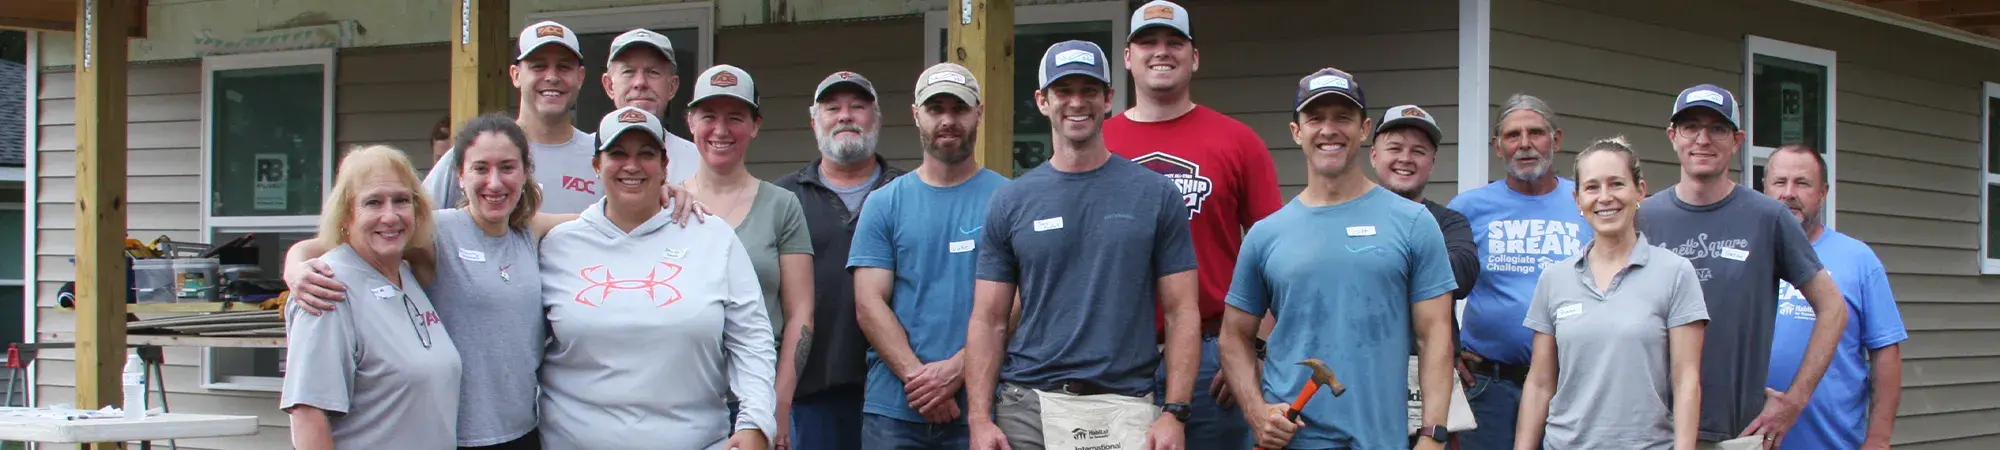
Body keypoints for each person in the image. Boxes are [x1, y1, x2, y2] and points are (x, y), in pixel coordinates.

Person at [966, 40, 1199, 450]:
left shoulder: (1156, 195)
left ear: (1108, 99)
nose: (1077, 102)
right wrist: (979, 420)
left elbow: (1182, 312)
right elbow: (989, 320)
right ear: (1042, 101)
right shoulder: (1012, 200)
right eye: (1063, 91)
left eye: (1090, 91)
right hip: (1028, 407)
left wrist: (1174, 413)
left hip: (1125, 406)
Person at [1217, 67, 1457, 450]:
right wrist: (1256, 411)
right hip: (1290, 442)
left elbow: (1435, 338)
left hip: (1378, 440)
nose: (1329, 130)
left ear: (1364, 130)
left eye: (1343, 117)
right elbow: (1233, 336)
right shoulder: (1266, 234)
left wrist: (1433, 435)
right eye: (1315, 118)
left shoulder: (1413, 223)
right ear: (1297, 132)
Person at [536, 107, 776, 450]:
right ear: (595, 166)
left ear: (665, 166)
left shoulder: (712, 237)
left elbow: (751, 339)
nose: (632, 166)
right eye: (617, 154)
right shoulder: (558, 246)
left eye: (646, 154)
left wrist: (756, 422)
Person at [1103, 3, 1280, 446]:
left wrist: (1254, 349)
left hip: (1212, 354)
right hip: (1114, 353)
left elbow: (1277, 258)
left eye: (1174, 42)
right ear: (1128, 57)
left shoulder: (1238, 142)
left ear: (1194, 57)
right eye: (1147, 42)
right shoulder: (1098, 143)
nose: (1161, 52)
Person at [1638, 84, 1847, 450]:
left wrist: (1794, 400)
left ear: (1737, 141)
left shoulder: (1768, 217)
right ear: (1673, 136)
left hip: (1737, 435)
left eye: (1717, 129)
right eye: (1691, 127)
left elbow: (1833, 308)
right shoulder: (1644, 218)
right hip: (1651, 431)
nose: (1703, 139)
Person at [1515, 136, 1707, 450]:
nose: (1605, 197)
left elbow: (1686, 380)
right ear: (1577, 200)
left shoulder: (1675, 273)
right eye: (1592, 187)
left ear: (1639, 191)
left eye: (1616, 184)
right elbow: (1539, 383)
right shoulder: (1554, 279)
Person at [850, 62, 1005, 450]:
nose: (948, 120)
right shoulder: (884, 203)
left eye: (960, 109)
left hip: (982, 410)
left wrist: (957, 370)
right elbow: (869, 304)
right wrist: (920, 379)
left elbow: (1017, 300)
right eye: (936, 110)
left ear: (979, 113)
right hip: (895, 412)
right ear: (916, 114)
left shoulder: (1009, 200)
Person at [281, 145, 461, 450]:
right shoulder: (327, 288)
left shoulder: (407, 275)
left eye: (401, 200)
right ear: (346, 215)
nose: (390, 216)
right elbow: (309, 414)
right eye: (373, 203)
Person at [1446, 93, 1592, 449]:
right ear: (1498, 146)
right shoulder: (1469, 208)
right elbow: (1434, 285)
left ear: (1555, 139)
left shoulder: (1586, 200)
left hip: (1572, 387)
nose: (1525, 145)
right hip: (1489, 385)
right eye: (1513, 135)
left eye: (1536, 133)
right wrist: (1449, 345)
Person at [681, 64, 817, 443]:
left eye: (735, 118)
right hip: (680, 400)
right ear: (691, 121)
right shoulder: (665, 203)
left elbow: (800, 315)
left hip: (754, 400)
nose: (721, 130)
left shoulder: (782, 206)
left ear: (755, 125)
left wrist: (778, 405)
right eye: (709, 116)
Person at [775, 70, 907, 450]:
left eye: (858, 107)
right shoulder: (782, 199)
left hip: (895, 395)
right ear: (814, 120)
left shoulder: (908, 192)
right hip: (808, 396)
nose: (845, 116)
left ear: (877, 118)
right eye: (832, 107)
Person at [1760, 144, 1906, 450]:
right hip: (1749, 439)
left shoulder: (1858, 260)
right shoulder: (1746, 254)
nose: (1789, 193)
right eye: (1779, 182)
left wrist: (1879, 439)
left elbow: (1885, 354)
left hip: (1833, 441)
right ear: (1764, 189)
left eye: (1802, 183)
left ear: (1823, 193)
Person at [424, 21, 603, 213]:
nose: (552, 77)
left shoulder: (605, 157)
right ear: (515, 75)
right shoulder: (476, 151)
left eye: (564, 67)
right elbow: (419, 223)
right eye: (539, 66)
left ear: (580, 77)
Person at [1370, 104, 1477, 299]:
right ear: (1374, 156)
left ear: (1432, 163)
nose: (1405, 158)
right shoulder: (1349, 214)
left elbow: (1462, 277)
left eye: (1418, 151)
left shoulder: (1450, 223)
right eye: (1395, 148)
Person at [601, 28, 701, 183]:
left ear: (672, 87)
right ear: (609, 86)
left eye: (653, 72)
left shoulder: (697, 161)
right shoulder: (583, 155)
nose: (640, 83)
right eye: (628, 71)